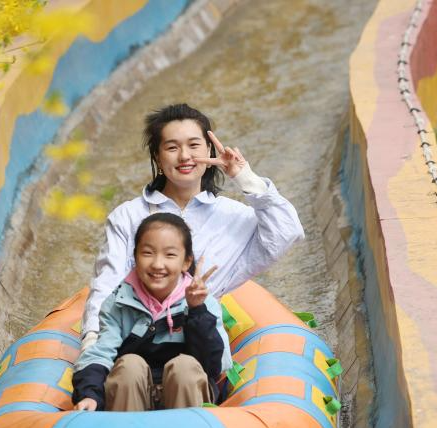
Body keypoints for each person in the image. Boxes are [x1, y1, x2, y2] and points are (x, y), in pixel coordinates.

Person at [80, 103, 303, 349]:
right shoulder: (128, 215)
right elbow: (108, 282)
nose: (185, 156)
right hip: (133, 339)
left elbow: (287, 232)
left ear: (209, 151)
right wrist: (93, 340)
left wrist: (244, 177)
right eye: (172, 147)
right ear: (157, 157)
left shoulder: (235, 216)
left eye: (194, 145)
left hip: (201, 340)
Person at [72, 212, 231, 412]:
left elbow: (215, 366)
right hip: (133, 395)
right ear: (135, 257)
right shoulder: (117, 303)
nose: (157, 264)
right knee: (129, 365)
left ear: (186, 262)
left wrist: (196, 310)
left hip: (186, 393)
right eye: (147, 253)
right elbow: (101, 353)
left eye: (170, 255)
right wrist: (89, 394)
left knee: (185, 367)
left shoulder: (203, 303)